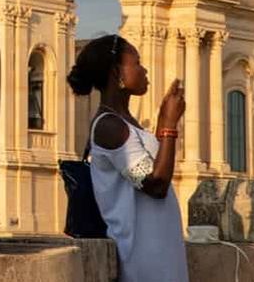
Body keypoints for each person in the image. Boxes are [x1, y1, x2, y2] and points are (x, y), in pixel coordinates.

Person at [68, 34, 188, 282]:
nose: (144, 70)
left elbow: (149, 166)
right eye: (137, 63)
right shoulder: (109, 127)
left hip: (159, 250)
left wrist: (161, 123)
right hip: (143, 257)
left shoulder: (126, 124)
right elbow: (155, 184)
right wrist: (168, 125)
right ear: (117, 73)